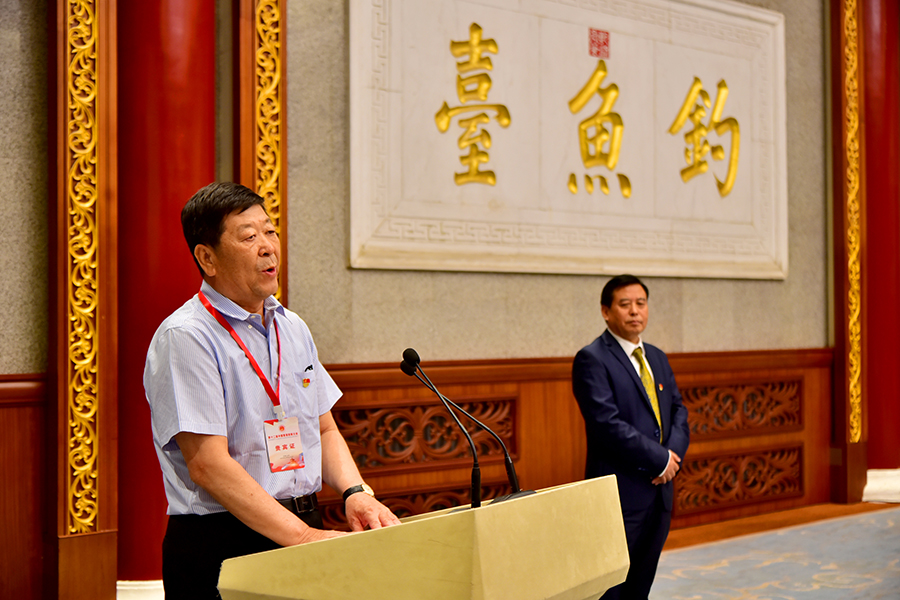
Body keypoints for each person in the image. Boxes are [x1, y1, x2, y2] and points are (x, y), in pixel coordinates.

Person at [144, 182, 400, 599]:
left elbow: (324, 429)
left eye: (270, 231)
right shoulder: (187, 336)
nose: (268, 247)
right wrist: (302, 538)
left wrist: (355, 493)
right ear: (207, 258)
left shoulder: (291, 326)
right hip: (224, 540)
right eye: (249, 237)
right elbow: (207, 464)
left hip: (302, 523)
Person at [572, 274, 690, 600]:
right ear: (606, 311)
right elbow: (606, 424)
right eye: (625, 304)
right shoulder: (592, 359)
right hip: (621, 491)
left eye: (641, 303)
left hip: (660, 489)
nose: (635, 311)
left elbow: (679, 411)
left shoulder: (657, 356)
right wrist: (660, 459)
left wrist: (671, 459)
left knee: (641, 583)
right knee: (610, 588)